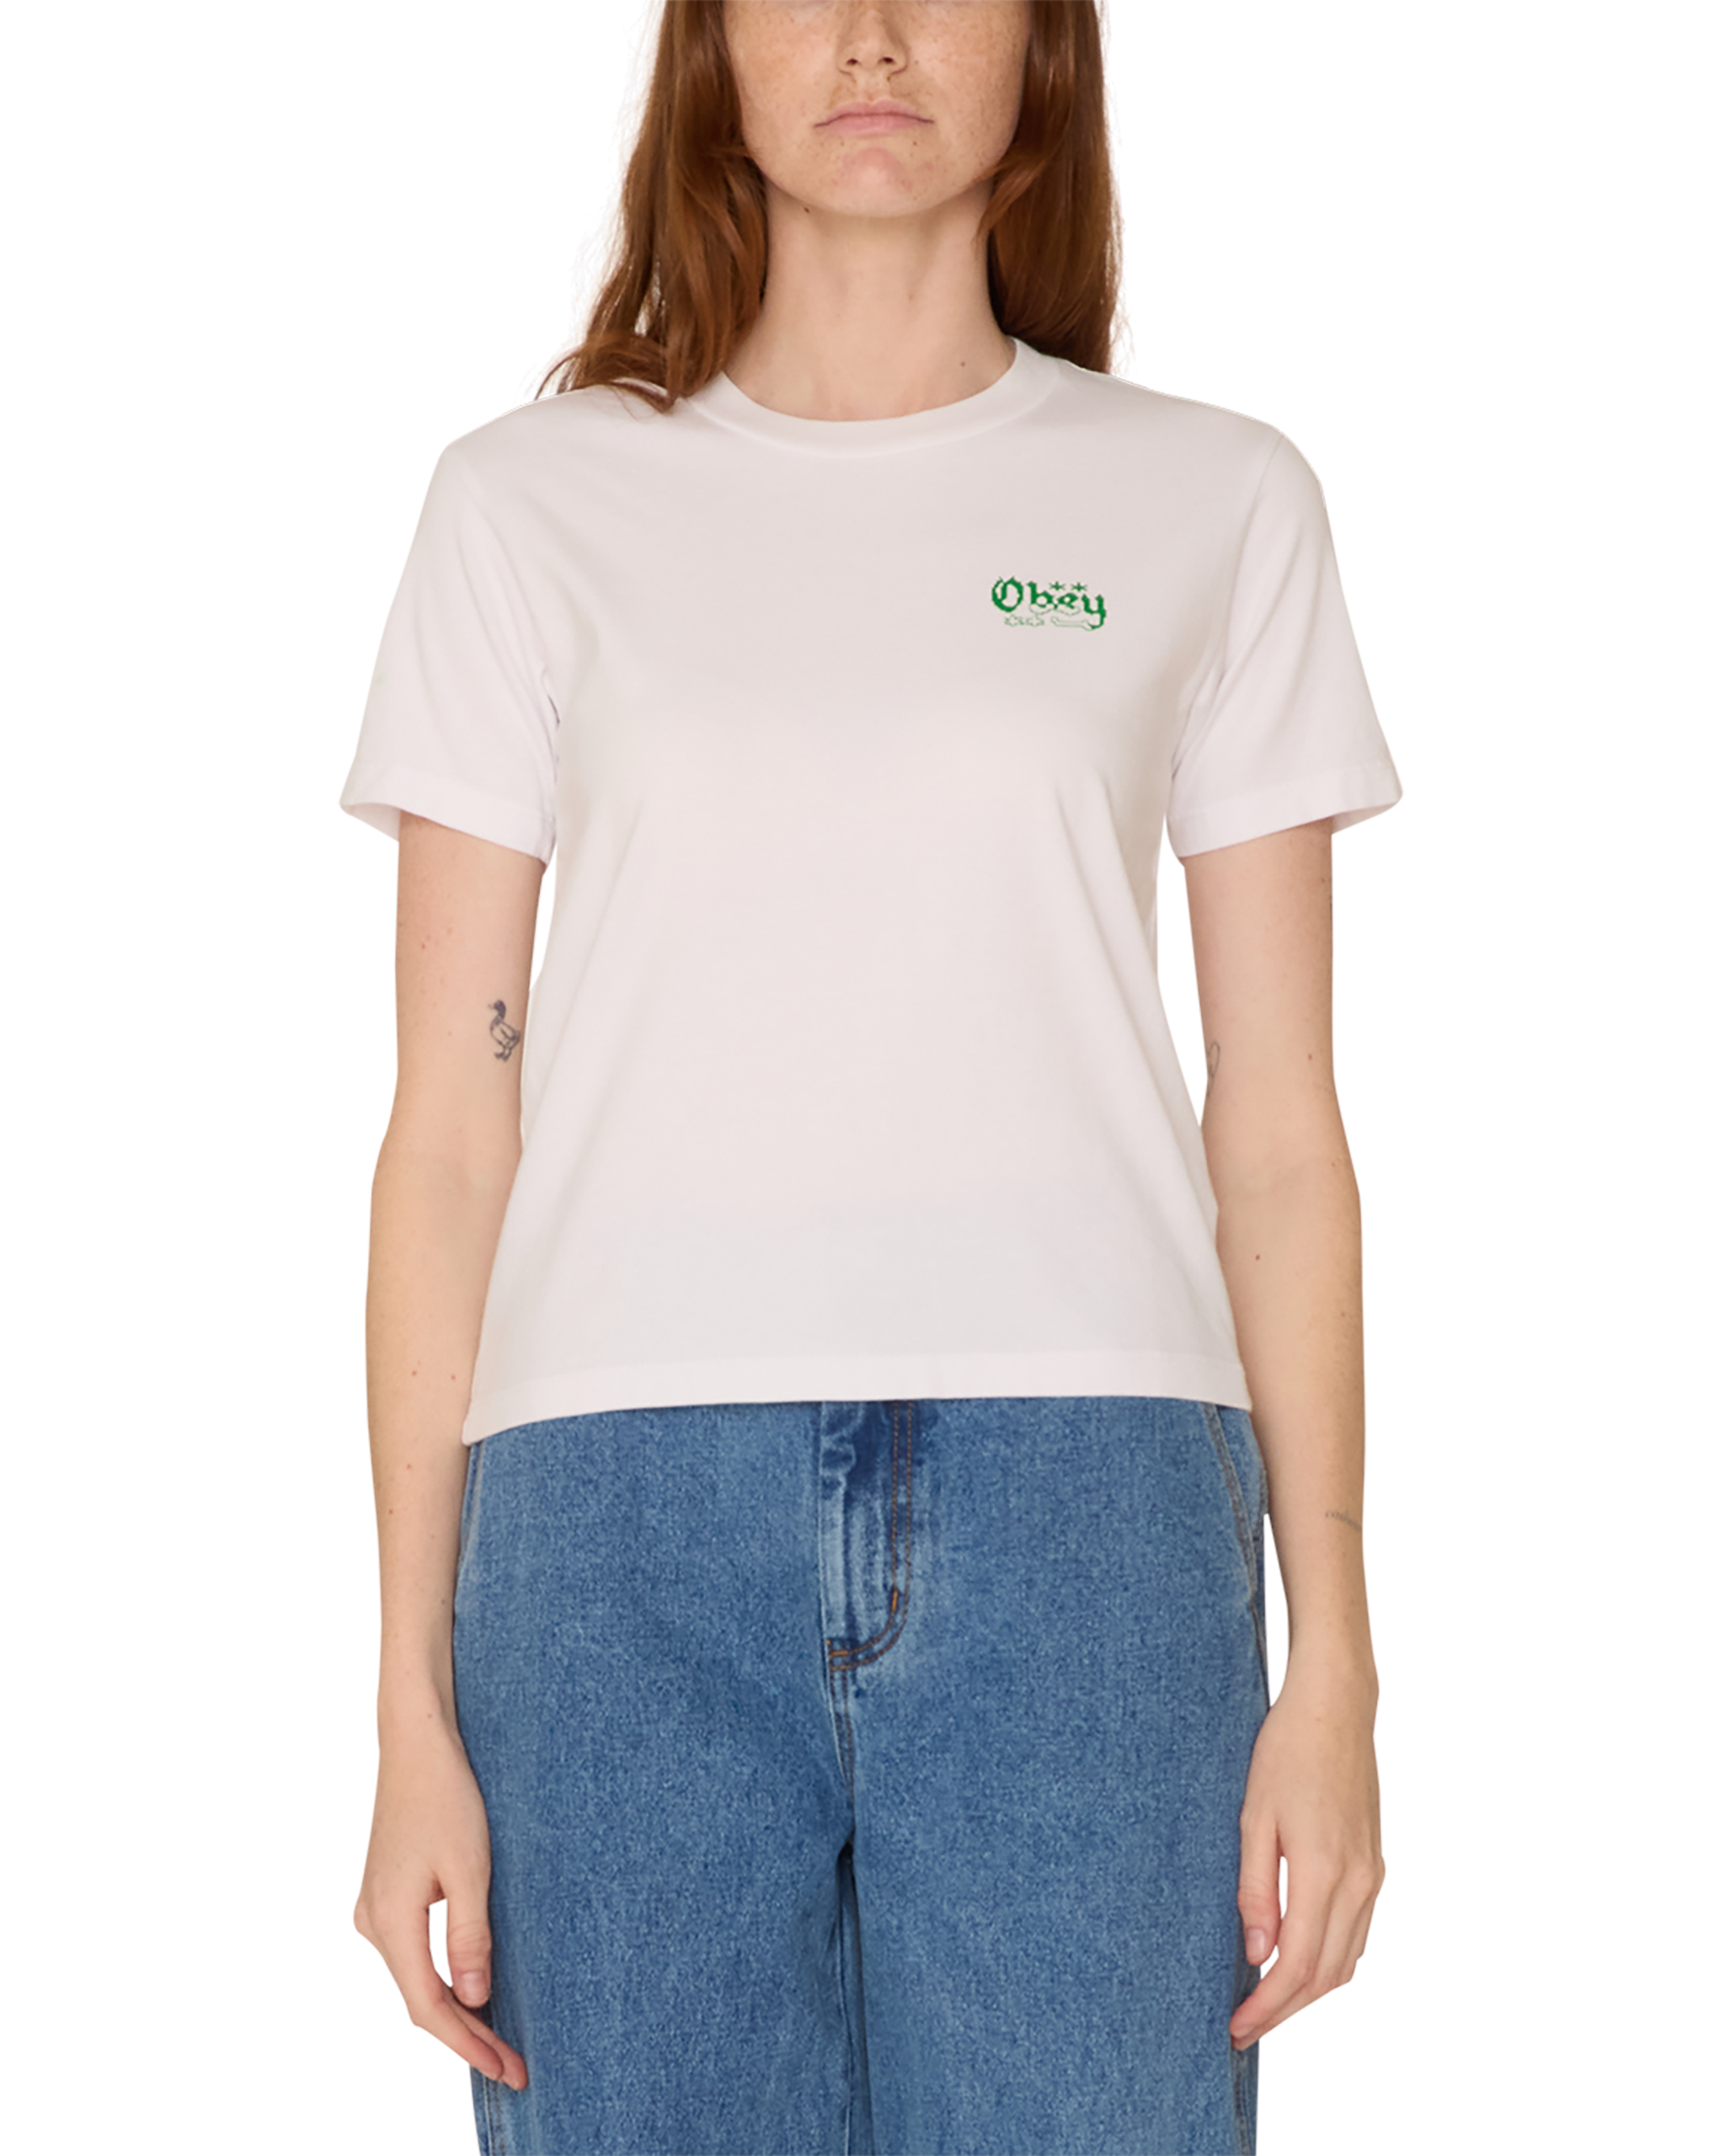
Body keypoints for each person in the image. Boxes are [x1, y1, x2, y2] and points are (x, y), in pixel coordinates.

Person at [343, 2, 1397, 2149]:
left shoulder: (1214, 496)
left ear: (1052, 50)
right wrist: (404, 1699)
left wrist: (1336, 1660)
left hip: (1097, 1512)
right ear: (708, 50)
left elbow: (1281, 1129)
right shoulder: (520, 505)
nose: (877, 36)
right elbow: (446, 1133)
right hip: (609, 1523)